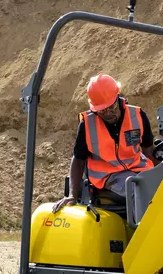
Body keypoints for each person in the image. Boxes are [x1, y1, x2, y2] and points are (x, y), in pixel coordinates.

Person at [52, 74, 157, 213]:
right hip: (109, 177)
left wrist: (162, 173)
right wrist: (72, 195)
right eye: (102, 110)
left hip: (138, 170)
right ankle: (147, 233)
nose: (108, 113)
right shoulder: (88, 125)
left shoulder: (137, 115)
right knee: (141, 191)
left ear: (118, 98)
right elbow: (78, 160)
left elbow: (148, 150)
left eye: (111, 107)